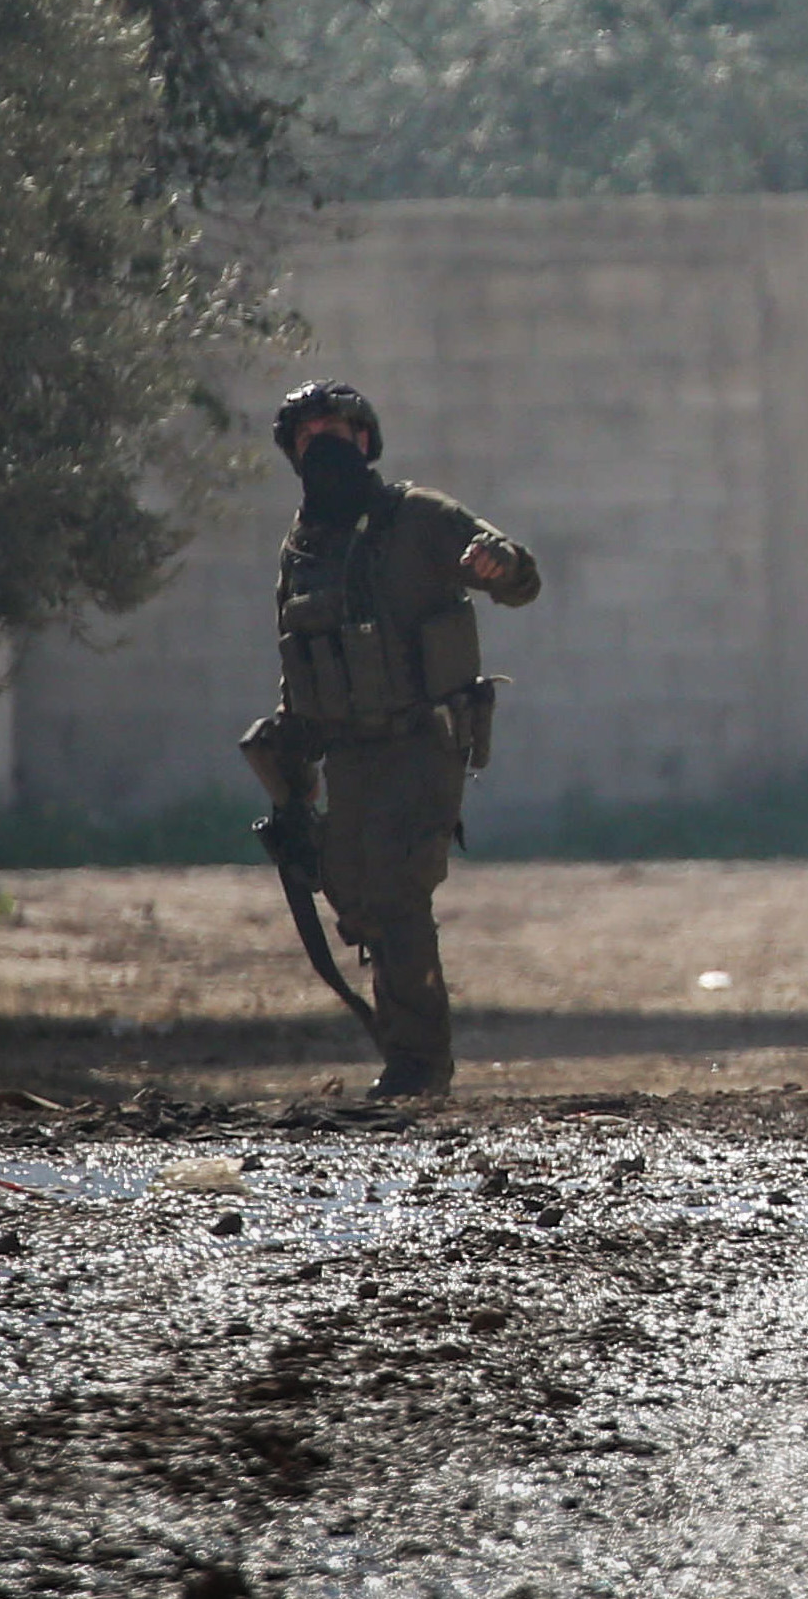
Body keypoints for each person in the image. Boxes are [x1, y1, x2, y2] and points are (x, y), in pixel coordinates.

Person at [239, 381, 539, 1095]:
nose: (321, 446)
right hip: (347, 752)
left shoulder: (418, 518)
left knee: (400, 893)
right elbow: (297, 649)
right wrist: (291, 748)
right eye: (307, 438)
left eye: (333, 431)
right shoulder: (303, 547)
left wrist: (495, 564)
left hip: (420, 741)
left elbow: (517, 577)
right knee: (358, 897)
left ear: (365, 440)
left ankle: (418, 1066)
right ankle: (409, 1048)